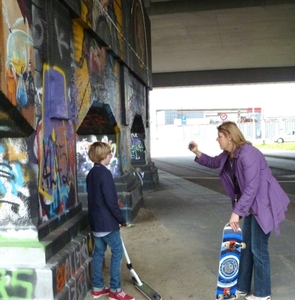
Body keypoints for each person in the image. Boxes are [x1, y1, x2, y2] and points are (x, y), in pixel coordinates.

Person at [188, 121, 290, 300]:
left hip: (264, 204)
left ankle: (263, 294)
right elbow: (213, 162)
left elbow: (252, 187)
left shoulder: (247, 154)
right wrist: (197, 152)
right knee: (247, 247)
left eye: (220, 136)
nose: (217, 139)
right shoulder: (230, 154)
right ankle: (241, 288)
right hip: (252, 205)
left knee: (259, 249)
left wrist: (237, 213)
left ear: (229, 137)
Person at [86, 141, 135, 300]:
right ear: (102, 156)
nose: (110, 155)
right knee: (117, 252)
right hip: (107, 222)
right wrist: (121, 219)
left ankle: (98, 287)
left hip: (96, 222)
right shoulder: (105, 174)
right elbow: (111, 201)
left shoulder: (91, 174)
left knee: (99, 253)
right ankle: (115, 290)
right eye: (108, 154)